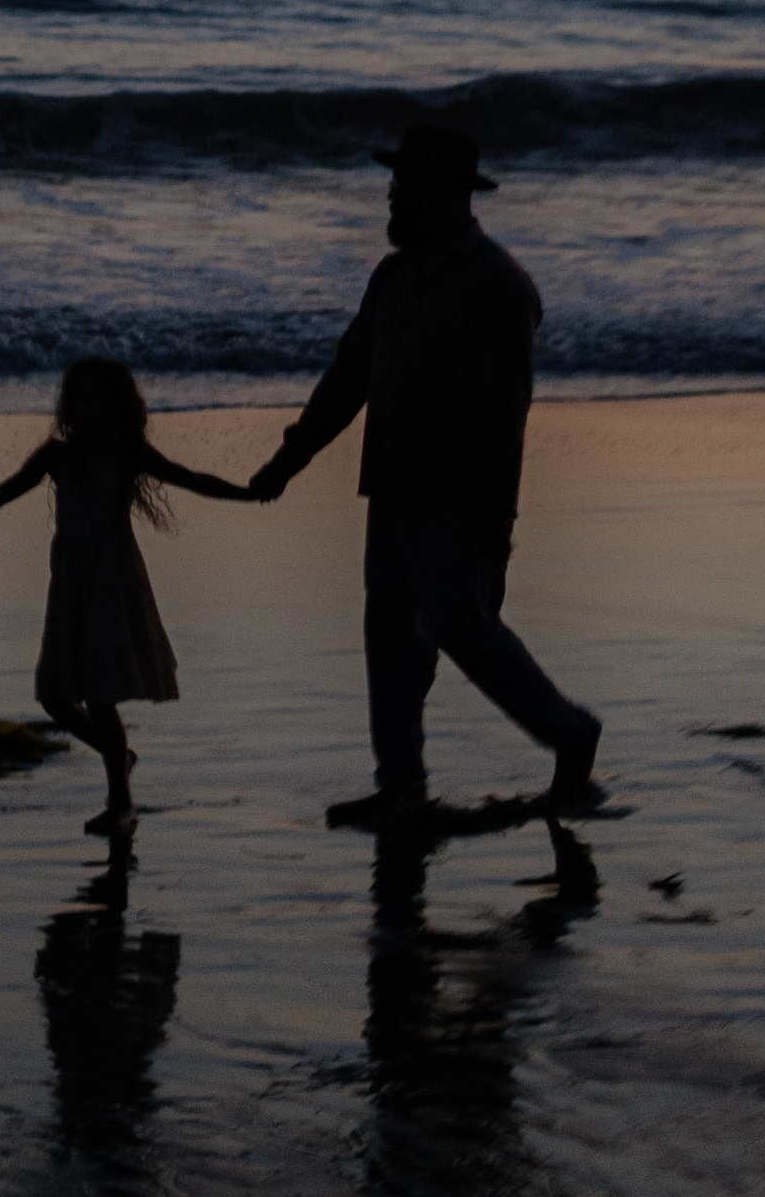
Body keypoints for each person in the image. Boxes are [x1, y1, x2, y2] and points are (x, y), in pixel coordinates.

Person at [248, 124, 602, 824]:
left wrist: (482, 518)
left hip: (458, 502)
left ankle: (571, 733)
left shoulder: (498, 285)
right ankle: (401, 783)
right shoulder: (392, 277)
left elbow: (505, 418)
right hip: (393, 490)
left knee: (463, 631)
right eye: (393, 185)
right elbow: (348, 378)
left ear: (445, 193)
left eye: (403, 186)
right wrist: (291, 458)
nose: (391, 198)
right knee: (390, 636)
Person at [0, 354, 254, 836]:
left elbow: (190, 478)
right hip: (69, 583)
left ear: (114, 406)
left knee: (100, 693)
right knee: (53, 693)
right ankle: (121, 757)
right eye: (73, 398)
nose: (79, 407)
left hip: (113, 581)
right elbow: (0, 494)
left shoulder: (125, 452)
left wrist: (250, 492)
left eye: (90, 398)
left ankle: (120, 803)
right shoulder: (55, 455)